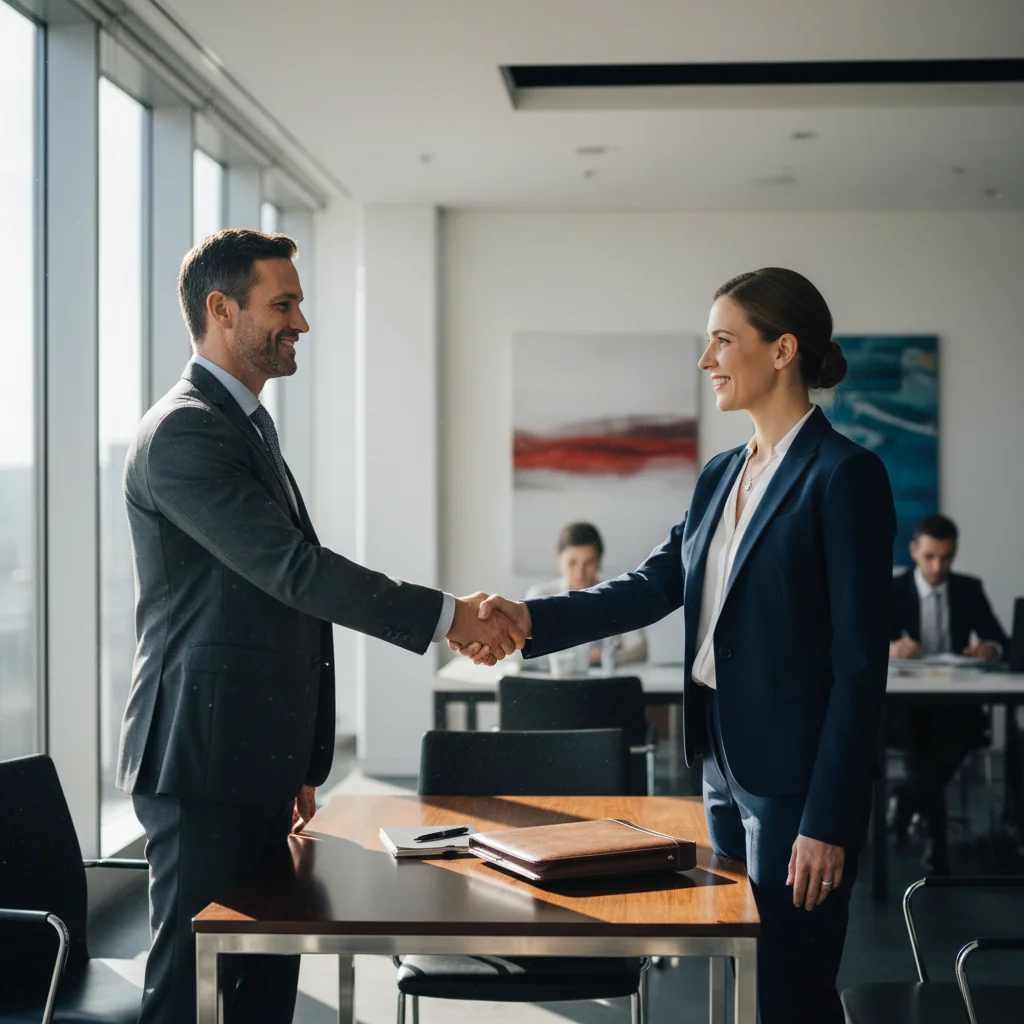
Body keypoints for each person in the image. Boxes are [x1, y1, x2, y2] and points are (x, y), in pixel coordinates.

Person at [455, 267, 895, 1024]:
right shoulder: (721, 475)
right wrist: (529, 617)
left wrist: (828, 817)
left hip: (796, 784)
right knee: (738, 965)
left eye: (724, 340)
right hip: (722, 764)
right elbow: (651, 586)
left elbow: (861, 668)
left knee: (793, 985)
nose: (707, 360)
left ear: (783, 349)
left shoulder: (845, 476)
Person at [116, 229, 523, 1024]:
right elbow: (296, 573)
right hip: (199, 758)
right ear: (221, 309)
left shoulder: (245, 426)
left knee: (268, 969)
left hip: (250, 754)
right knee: (193, 983)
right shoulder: (184, 431)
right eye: (285, 303)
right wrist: (451, 617)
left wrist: (300, 758)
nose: (302, 321)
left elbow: (280, 605)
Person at [888, 514, 1009, 872]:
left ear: (954, 554)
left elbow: (1000, 641)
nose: (938, 566)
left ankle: (906, 802)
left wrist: (990, 648)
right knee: (919, 742)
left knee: (958, 736)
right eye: (929, 557)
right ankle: (936, 840)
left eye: (946, 557)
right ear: (914, 551)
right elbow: (864, 644)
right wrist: (891, 648)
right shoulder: (892, 591)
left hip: (953, 702)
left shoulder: (969, 588)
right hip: (904, 703)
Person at [525, 521, 647, 667]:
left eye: (588, 563)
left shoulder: (616, 597)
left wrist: (604, 657)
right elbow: (522, 653)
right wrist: (581, 656)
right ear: (559, 560)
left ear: (599, 561)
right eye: (572, 563)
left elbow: (640, 648)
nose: (579, 573)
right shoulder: (540, 596)